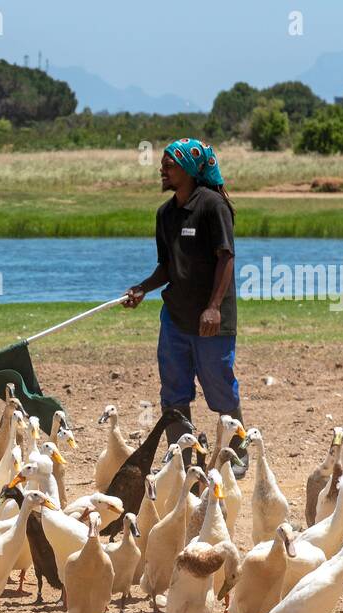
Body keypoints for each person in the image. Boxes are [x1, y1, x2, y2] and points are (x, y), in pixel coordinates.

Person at [122, 138, 246, 478]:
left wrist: (214, 307)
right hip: (175, 317)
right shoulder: (165, 214)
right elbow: (166, 267)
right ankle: (182, 455)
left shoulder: (212, 207)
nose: (162, 170)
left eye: (169, 164)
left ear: (189, 170)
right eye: (162, 164)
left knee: (219, 385)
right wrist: (142, 288)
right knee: (174, 389)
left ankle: (237, 453)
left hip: (211, 321)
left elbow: (226, 257)